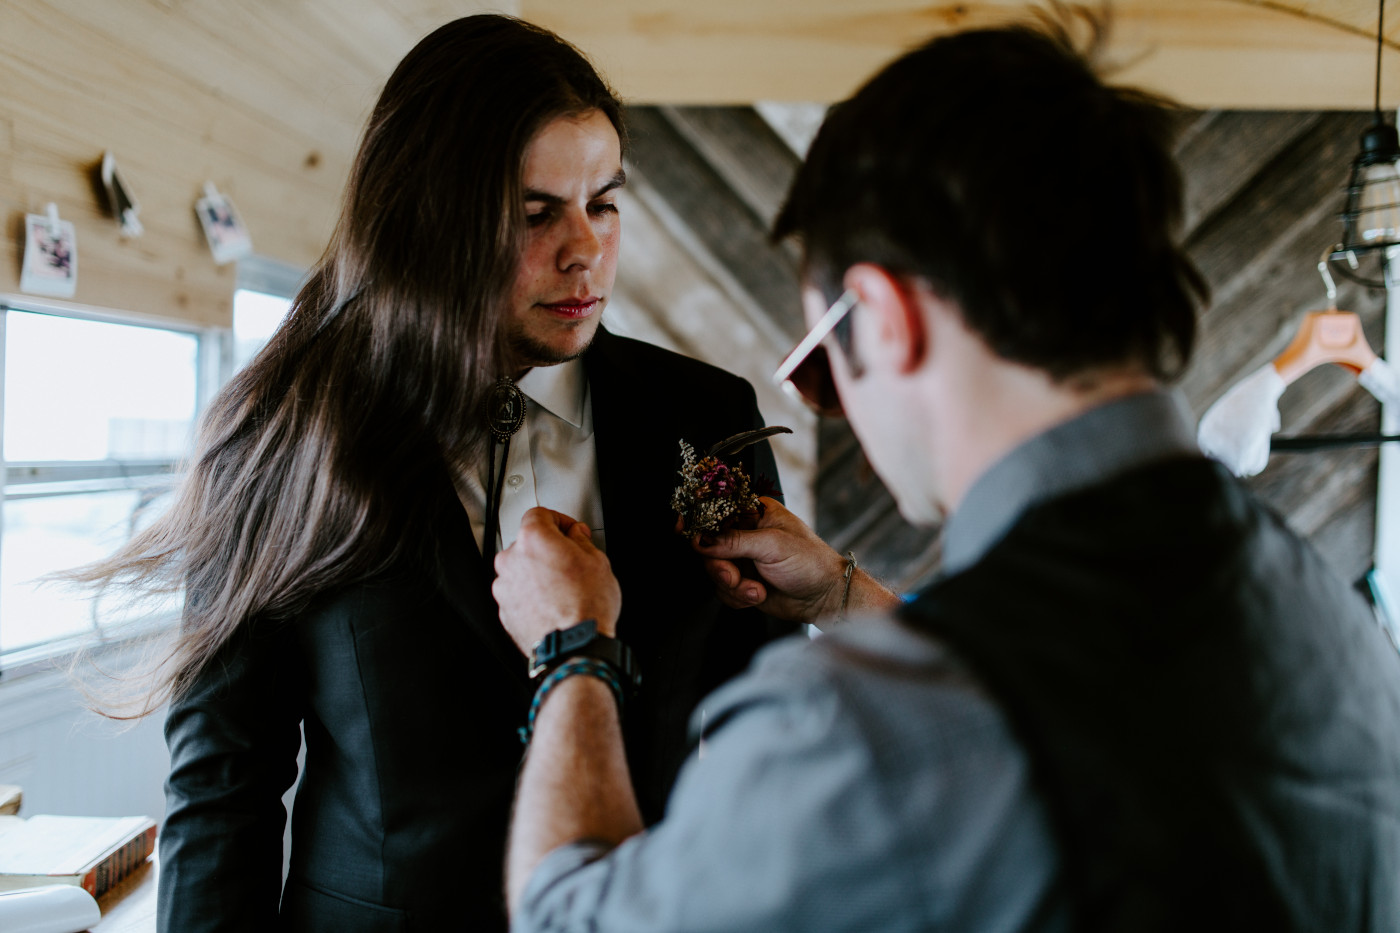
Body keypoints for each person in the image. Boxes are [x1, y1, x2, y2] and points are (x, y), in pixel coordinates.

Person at [491, 9, 1400, 932]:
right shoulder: (1332, 623)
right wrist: (845, 595)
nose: (833, 395)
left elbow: (573, 920)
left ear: (885, 320)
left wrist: (574, 651)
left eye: (824, 359)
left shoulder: (862, 727)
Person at [67, 14, 792, 932]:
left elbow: (764, 724)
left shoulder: (706, 417)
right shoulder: (281, 427)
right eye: (535, 212)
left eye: (603, 201)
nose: (585, 249)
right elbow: (226, 782)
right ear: (426, 213)